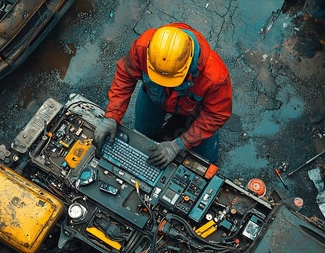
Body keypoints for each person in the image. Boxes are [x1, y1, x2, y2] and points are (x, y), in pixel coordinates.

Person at [93, 22, 232, 169]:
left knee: (204, 161)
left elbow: (216, 114)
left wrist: (179, 144)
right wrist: (112, 117)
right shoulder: (144, 47)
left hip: (194, 111)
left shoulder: (214, 76)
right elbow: (125, 75)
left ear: (188, 66)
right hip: (153, 97)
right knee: (142, 136)